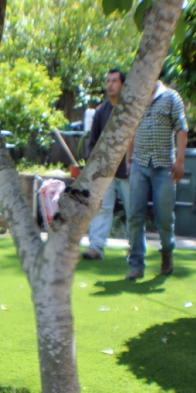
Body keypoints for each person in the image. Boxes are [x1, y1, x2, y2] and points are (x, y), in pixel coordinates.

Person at [125, 80, 188, 280]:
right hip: (139, 164)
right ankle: (136, 264)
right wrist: (129, 159)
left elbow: (182, 128)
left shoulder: (171, 97)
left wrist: (180, 160)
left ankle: (167, 252)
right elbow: (131, 129)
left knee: (164, 217)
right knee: (135, 215)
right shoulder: (137, 98)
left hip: (164, 166)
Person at [81, 69, 130, 260]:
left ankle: (136, 249)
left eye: (114, 81)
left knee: (133, 211)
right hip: (105, 172)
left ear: (122, 85)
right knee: (101, 208)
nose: (110, 84)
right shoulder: (101, 111)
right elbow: (92, 142)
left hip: (127, 170)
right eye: (108, 81)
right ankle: (95, 247)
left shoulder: (130, 110)